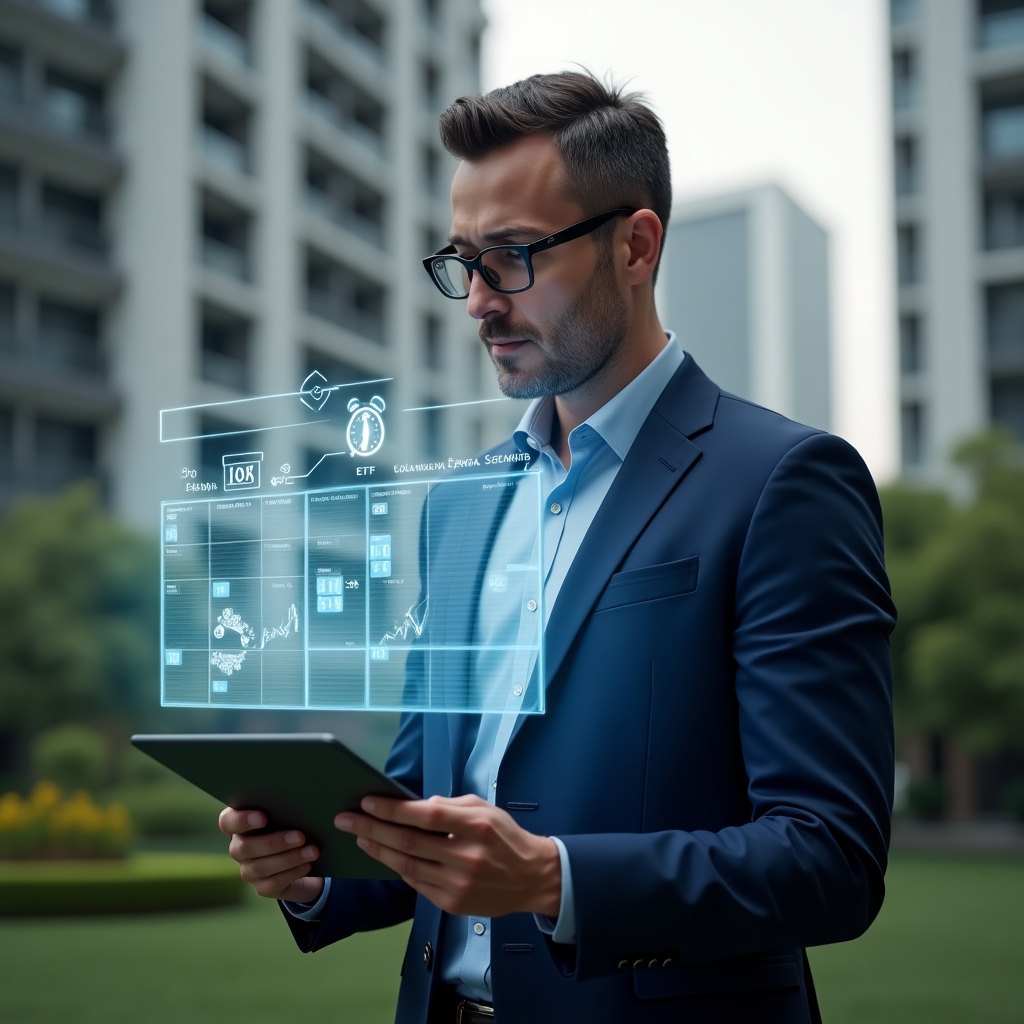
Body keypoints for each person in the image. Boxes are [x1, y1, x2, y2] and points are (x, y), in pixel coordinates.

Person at [219, 72, 895, 1024]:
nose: (479, 304)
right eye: (463, 262)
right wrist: (313, 871)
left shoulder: (785, 482)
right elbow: (428, 803)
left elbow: (831, 856)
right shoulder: (460, 505)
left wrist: (552, 879)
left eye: (514, 257)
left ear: (636, 244)